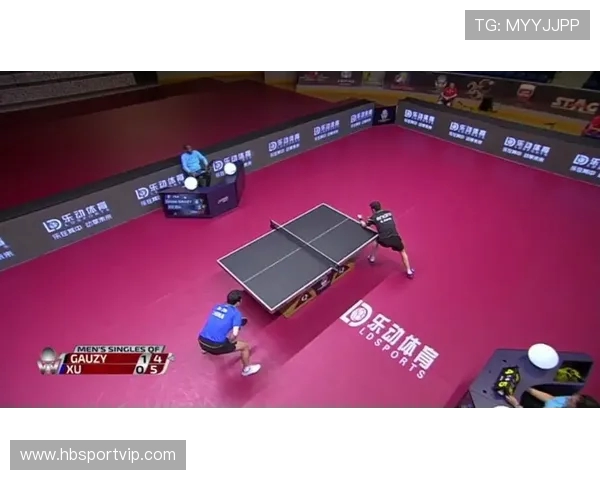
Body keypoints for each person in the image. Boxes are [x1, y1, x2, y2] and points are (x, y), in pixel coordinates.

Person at [198, 290, 261, 377]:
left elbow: (218, 321)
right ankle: (247, 370)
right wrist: (230, 341)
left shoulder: (217, 306)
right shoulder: (236, 314)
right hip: (215, 346)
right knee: (245, 346)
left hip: (201, 341)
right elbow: (234, 334)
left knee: (214, 332)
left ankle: (205, 349)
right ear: (239, 302)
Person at [358, 201, 415, 279]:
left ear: (373, 210)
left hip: (384, 240)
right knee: (402, 251)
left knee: (376, 239)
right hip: (395, 238)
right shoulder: (389, 213)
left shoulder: (373, 218)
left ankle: (372, 258)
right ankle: (409, 271)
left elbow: (364, 225)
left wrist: (360, 218)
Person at [505, 388, 599, 408]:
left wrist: (516, 405)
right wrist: (528, 388)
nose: (568, 398)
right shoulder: (571, 400)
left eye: (571, 400)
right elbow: (551, 399)